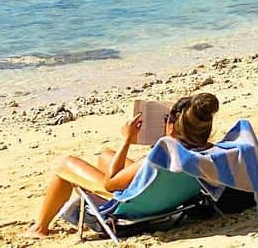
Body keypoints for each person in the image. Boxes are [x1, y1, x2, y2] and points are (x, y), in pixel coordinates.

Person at [26, 93, 219, 237]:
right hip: (169, 198)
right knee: (106, 156)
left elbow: (110, 184)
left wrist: (127, 140)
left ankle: (39, 228)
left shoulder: (157, 159)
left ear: (172, 125)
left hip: (135, 205)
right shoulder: (206, 153)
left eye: (167, 119)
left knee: (66, 164)